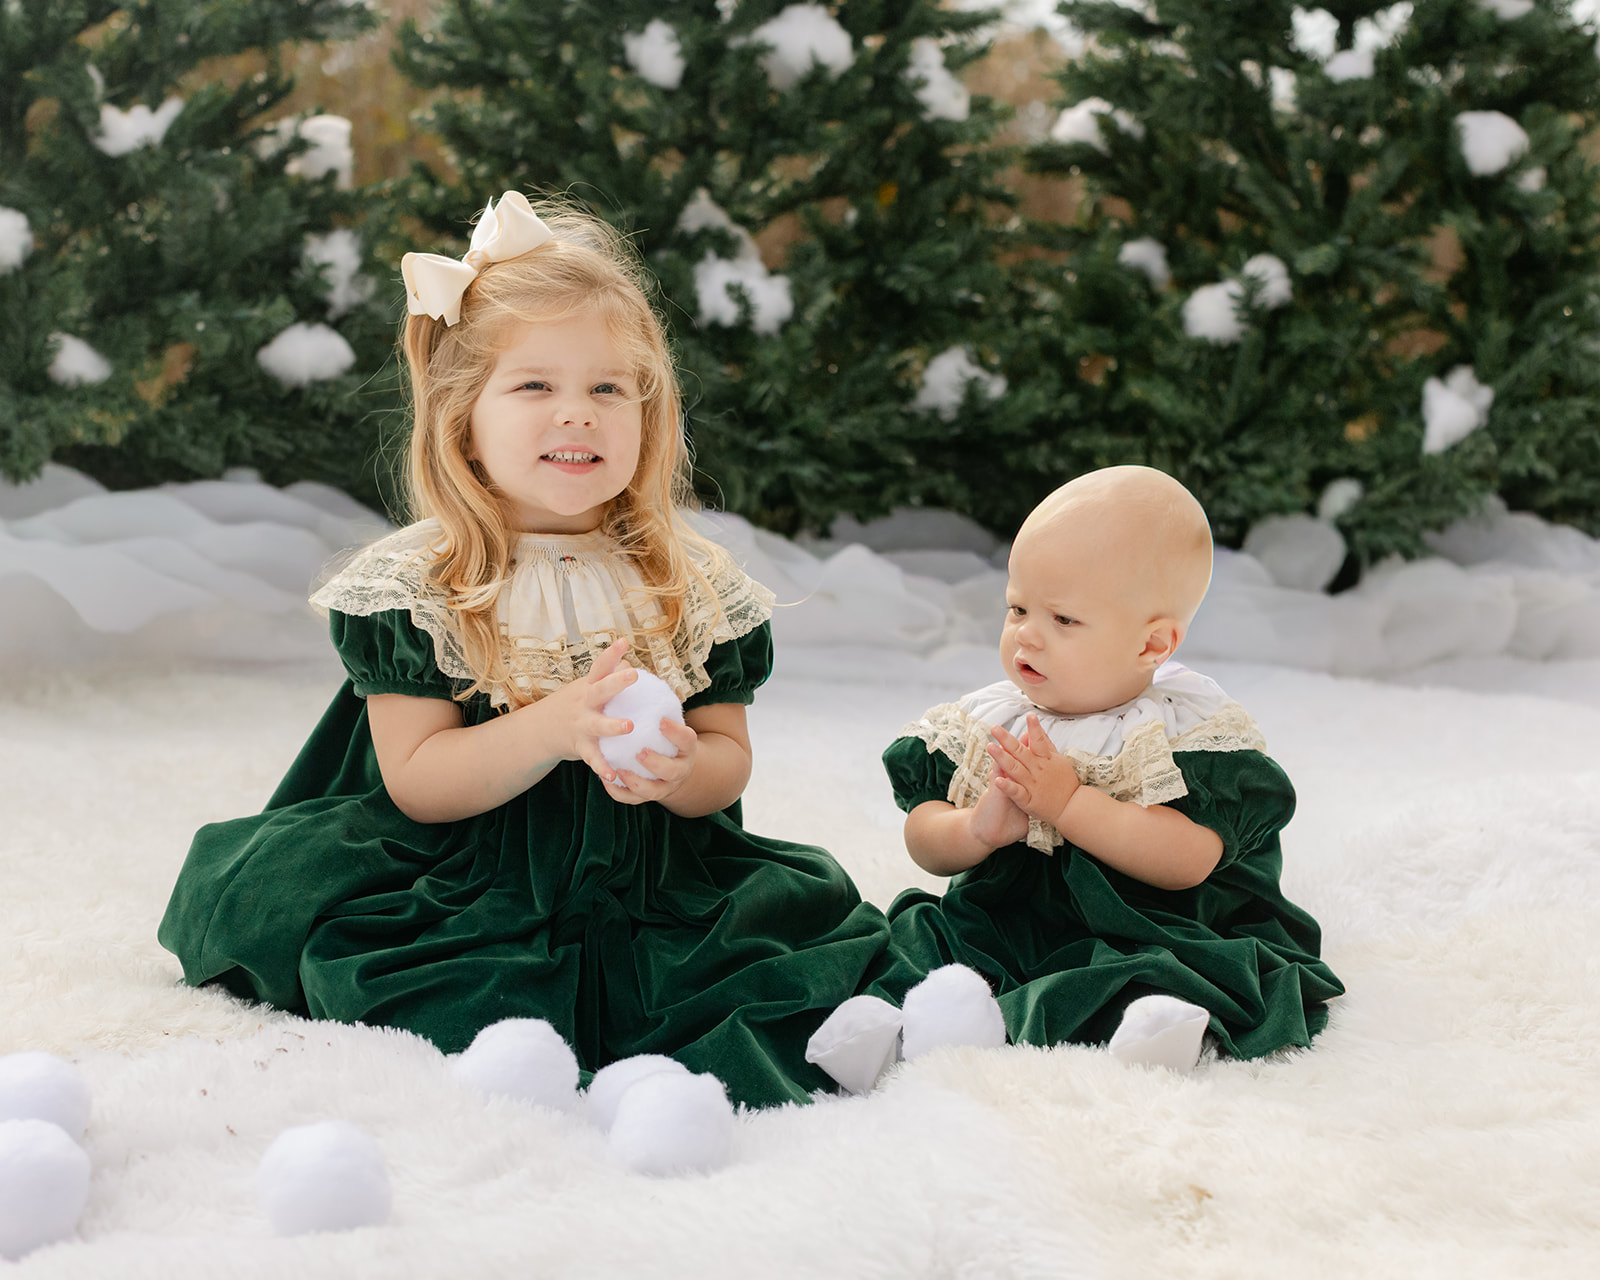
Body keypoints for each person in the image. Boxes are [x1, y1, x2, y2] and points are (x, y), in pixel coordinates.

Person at [157, 191, 908, 1109]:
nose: (578, 415)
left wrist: (680, 773)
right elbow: (419, 779)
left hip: (651, 871)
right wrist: (553, 727)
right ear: (464, 415)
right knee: (445, 984)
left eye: (606, 388)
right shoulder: (426, 586)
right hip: (459, 871)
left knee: (779, 946)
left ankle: (850, 1042)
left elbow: (728, 761)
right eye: (534, 386)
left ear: (647, 409)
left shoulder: (685, 583)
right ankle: (529, 1071)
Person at [808, 466, 1343, 1090]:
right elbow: (923, 834)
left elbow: (1188, 859)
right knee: (921, 939)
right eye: (1017, 607)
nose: (1026, 634)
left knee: (1153, 968)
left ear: (1151, 645)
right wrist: (975, 829)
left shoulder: (1179, 735)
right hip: (1005, 914)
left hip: (1143, 919)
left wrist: (1069, 804)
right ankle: (900, 1027)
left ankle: (1158, 1028)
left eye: (1063, 620)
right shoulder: (991, 721)